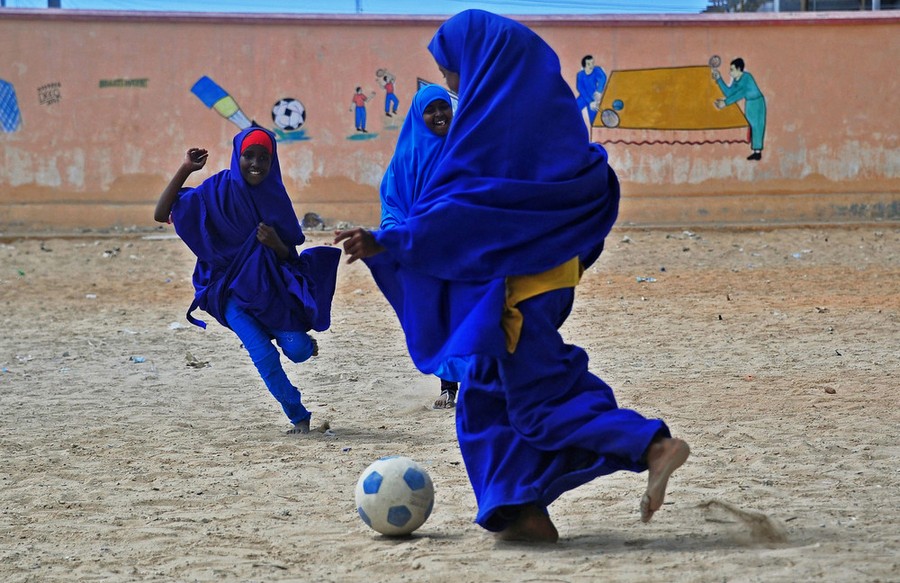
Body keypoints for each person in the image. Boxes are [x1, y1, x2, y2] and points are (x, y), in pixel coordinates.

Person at [335, 10, 689, 543]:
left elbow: (466, 214)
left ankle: (650, 445)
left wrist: (391, 241)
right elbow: (595, 192)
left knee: (540, 397)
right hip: (546, 281)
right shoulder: (552, 123)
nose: (451, 83)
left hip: (514, 294)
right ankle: (520, 512)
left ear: (480, 63)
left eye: (452, 69)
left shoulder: (486, 137)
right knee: (484, 396)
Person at [154, 127, 341, 434]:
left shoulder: (274, 197)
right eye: (249, 156)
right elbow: (162, 213)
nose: (256, 163)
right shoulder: (216, 190)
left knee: (297, 350)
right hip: (228, 291)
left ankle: (306, 344)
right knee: (264, 354)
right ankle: (298, 416)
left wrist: (276, 244)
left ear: (273, 162)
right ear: (236, 156)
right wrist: (186, 169)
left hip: (269, 289)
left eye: (264, 158)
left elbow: (290, 256)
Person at [379, 83, 459, 409]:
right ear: (418, 115)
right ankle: (449, 387)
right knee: (437, 317)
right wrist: (398, 237)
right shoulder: (404, 161)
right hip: (425, 252)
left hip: (465, 246)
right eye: (431, 110)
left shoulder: (464, 148)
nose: (439, 115)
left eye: (444, 107)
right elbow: (392, 206)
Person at [713, 57, 766, 161]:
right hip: (750, 103)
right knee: (751, 125)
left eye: (732, 70)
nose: (730, 72)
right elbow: (729, 93)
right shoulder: (736, 81)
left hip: (757, 102)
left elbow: (741, 93)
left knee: (757, 126)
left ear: (739, 69)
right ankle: (756, 151)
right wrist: (719, 79)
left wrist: (725, 103)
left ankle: (757, 152)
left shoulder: (747, 77)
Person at [576, 54, 607, 127]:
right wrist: (590, 101)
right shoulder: (580, 74)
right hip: (584, 97)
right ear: (584, 65)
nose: (591, 65)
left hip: (594, 97)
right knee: (574, 110)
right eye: (589, 64)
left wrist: (599, 91)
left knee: (594, 121)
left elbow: (603, 78)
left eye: (592, 63)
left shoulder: (597, 70)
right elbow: (580, 88)